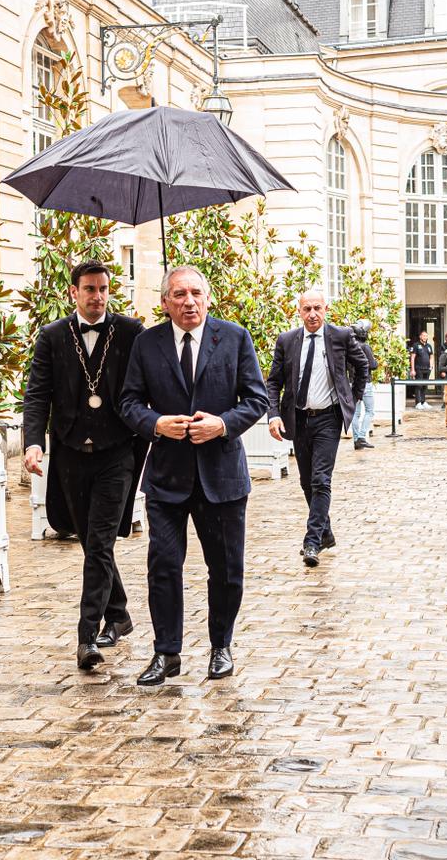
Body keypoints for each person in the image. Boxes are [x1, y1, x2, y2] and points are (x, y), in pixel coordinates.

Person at [119, 266, 268, 685]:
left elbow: (256, 398)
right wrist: (155, 424)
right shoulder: (147, 344)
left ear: (208, 297)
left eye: (196, 293)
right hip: (167, 476)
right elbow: (129, 402)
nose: (189, 302)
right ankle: (166, 653)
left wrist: (222, 424)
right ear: (165, 301)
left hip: (221, 477)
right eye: (179, 294)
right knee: (163, 566)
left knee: (225, 569)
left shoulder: (234, 338)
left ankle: (221, 645)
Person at [22, 261, 148, 672]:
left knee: (98, 542)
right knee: (93, 542)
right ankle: (120, 614)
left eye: (104, 289)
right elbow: (38, 394)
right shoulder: (53, 336)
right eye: (89, 289)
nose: (97, 296)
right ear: (73, 292)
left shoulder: (130, 333)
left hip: (117, 453)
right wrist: (32, 444)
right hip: (72, 454)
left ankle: (85, 637)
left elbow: (148, 384)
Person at [265, 289, 369, 568]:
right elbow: (273, 381)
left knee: (321, 480)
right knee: (305, 481)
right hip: (298, 419)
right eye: (307, 309)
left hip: (328, 419)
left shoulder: (340, 337)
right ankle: (326, 533)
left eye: (317, 308)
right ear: (299, 311)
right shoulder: (287, 340)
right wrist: (273, 414)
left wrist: (352, 399)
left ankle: (311, 541)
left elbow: (363, 367)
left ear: (326, 309)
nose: (312, 314)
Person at [350, 319, 380, 449]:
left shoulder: (349, 346)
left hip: (352, 382)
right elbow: (372, 365)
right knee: (369, 411)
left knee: (355, 413)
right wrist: (377, 362)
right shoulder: (365, 347)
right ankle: (361, 437)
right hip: (364, 382)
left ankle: (356, 439)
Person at [409, 330, 433, 409]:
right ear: (420, 336)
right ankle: (418, 402)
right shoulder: (416, 345)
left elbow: (431, 357)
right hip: (418, 368)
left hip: (427, 369)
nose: (425, 337)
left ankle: (423, 401)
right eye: (423, 335)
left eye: (426, 336)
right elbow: (412, 357)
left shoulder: (429, 346)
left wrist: (431, 366)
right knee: (419, 385)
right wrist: (412, 370)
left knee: (424, 386)